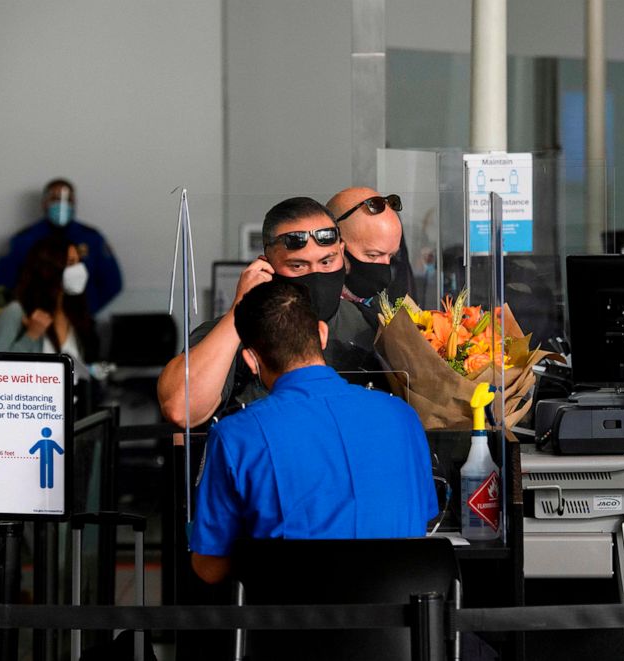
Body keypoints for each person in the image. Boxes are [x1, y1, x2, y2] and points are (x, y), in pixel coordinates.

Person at [190, 280, 437, 584]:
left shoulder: (235, 436)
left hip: (294, 626)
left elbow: (209, 567)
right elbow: (421, 522)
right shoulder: (403, 416)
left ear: (251, 360)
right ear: (322, 334)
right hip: (399, 626)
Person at [157, 197, 378, 427]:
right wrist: (238, 311)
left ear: (341, 253)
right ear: (267, 267)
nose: (317, 275)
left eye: (326, 262)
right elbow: (180, 408)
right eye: (298, 266)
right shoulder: (234, 333)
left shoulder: (370, 327)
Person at [0, 178, 123, 314]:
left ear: (75, 204)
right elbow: (0, 286)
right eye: (55, 199)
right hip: (35, 325)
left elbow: (112, 284)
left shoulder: (92, 238)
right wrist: (23, 315)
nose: (62, 205)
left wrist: (88, 311)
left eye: (68, 200)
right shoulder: (23, 240)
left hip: (80, 323)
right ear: (44, 203)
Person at [0, 233, 99, 365]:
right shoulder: (16, 311)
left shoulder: (75, 314)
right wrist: (31, 335)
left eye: (78, 262)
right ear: (50, 268)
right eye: (70, 263)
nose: (79, 269)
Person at [326, 186, 409, 305]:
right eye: (373, 255)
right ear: (335, 246)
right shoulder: (307, 312)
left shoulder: (384, 308)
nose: (385, 274)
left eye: (391, 256)